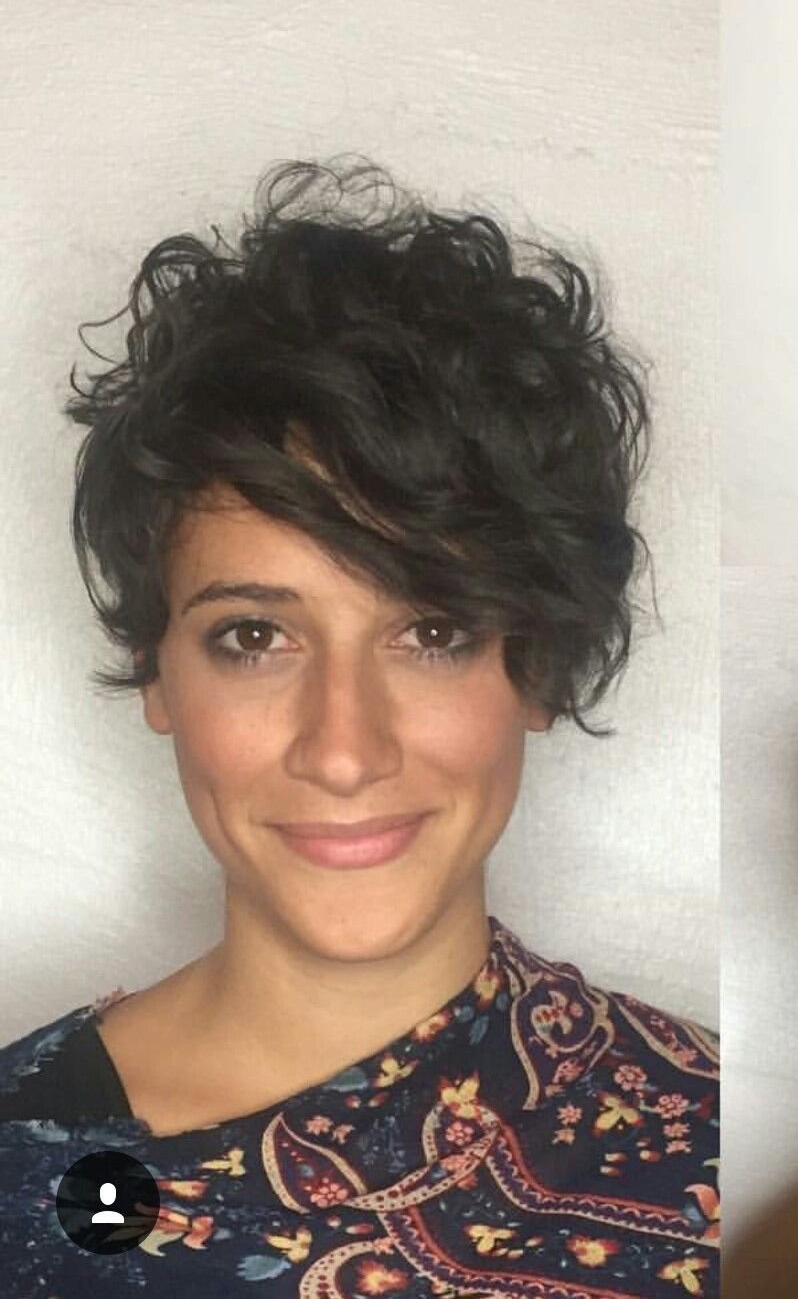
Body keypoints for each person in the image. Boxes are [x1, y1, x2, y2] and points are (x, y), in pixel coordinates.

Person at [0, 162, 719, 1296]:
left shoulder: (714, 1145)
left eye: (432, 630)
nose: (344, 750)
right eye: (253, 636)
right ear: (156, 668)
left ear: (538, 663)